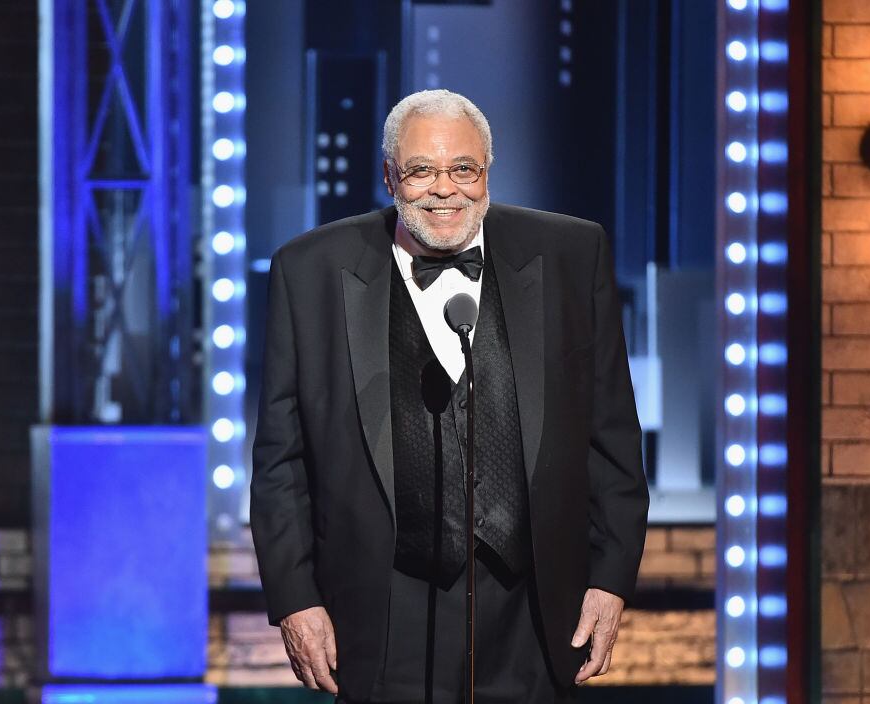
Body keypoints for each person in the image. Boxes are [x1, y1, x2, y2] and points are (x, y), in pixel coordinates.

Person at [251, 89, 649, 703]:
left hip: (532, 612)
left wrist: (611, 578)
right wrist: (295, 599)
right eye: (421, 171)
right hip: (382, 617)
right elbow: (280, 462)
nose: (445, 189)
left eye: (463, 168)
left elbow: (613, 437)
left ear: (488, 171)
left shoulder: (573, 254)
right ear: (390, 176)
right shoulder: (309, 271)